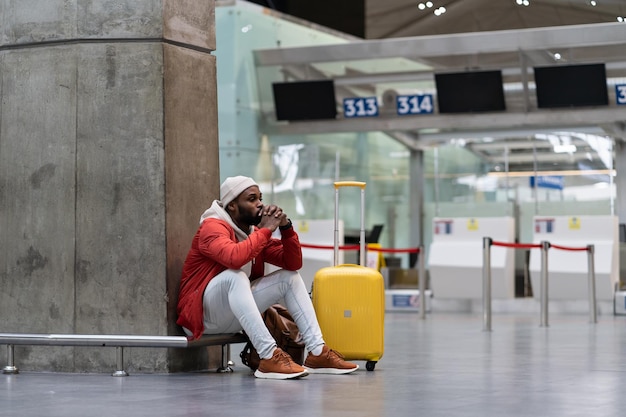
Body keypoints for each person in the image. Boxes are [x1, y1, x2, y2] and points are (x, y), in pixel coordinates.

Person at [176, 176, 358, 380]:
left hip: (234, 317)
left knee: (289, 277)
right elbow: (234, 258)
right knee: (234, 276)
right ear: (233, 206)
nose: (260, 204)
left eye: (260, 198)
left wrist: (286, 228)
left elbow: (293, 263)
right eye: (252, 199)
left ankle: (317, 352)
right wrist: (265, 230)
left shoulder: (253, 233)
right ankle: (269, 355)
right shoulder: (212, 228)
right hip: (203, 316)